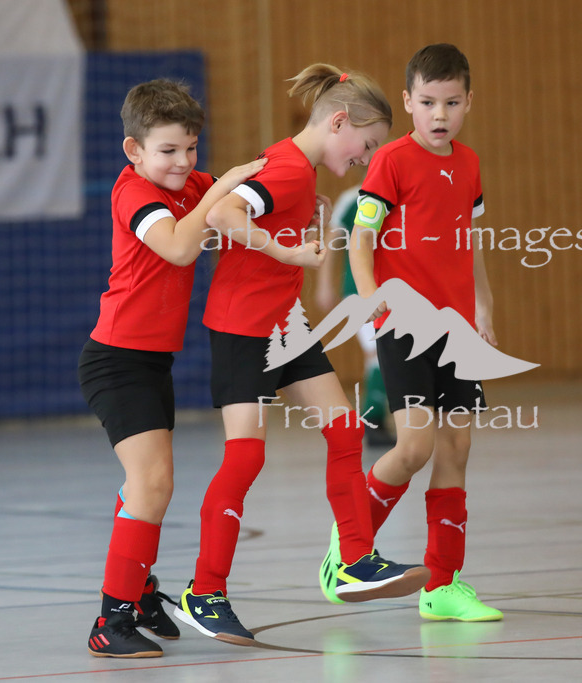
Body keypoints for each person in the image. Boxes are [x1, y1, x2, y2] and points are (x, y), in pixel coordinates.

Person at [173, 64, 431, 647]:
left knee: (344, 433)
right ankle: (204, 592)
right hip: (244, 327)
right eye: (366, 145)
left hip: (284, 324)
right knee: (244, 460)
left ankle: (354, 561)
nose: (367, 158)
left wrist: (289, 232)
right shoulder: (289, 169)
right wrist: (288, 253)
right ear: (339, 121)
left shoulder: (296, 168)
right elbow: (220, 215)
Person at [78, 79, 267, 658]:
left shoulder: (193, 186)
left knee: (150, 486)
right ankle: (111, 621)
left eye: (191, 149)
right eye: (168, 151)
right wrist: (226, 186)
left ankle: (138, 591)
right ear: (135, 151)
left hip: (153, 363)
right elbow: (182, 248)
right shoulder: (134, 193)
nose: (184, 162)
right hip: (115, 363)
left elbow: (247, 191)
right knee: (152, 482)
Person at [323, 43, 503, 622]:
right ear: (408, 101)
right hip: (405, 326)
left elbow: (468, 246)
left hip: (457, 330)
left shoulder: (470, 165)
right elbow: (360, 238)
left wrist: (485, 308)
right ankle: (347, 549)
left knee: (457, 449)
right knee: (413, 448)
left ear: (469, 102)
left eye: (451, 102)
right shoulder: (392, 161)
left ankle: (442, 585)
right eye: (428, 102)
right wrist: (373, 298)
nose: (440, 114)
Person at [315, 175, 397, 449]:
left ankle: (376, 419)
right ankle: (372, 421)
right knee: (378, 351)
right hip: (359, 290)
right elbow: (333, 240)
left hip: (399, 288)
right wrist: (326, 285)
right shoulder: (352, 199)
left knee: (388, 354)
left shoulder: (402, 199)